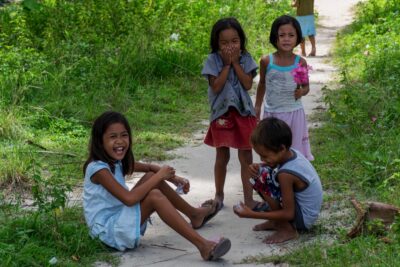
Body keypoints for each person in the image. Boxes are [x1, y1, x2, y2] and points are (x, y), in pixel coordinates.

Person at [82, 111, 231, 261]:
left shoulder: (114, 161)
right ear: (100, 141)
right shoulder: (98, 169)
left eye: (124, 135)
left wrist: (174, 179)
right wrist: (160, 176)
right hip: (106, 233)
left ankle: (194, 214)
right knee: (154, 196)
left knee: (151, 178)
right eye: (113, 137)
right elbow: (129, 199)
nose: (120, 141)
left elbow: (149, 168)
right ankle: (203, 246)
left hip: (118, 220)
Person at [201, 17, 265, 212]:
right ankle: (219, 195)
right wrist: (227, 65)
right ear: (216, 44)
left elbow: (247, 84)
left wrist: (236, 63)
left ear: (241, 41)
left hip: (244, 113)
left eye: (234, 41)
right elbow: (217, 86)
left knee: (246, 155)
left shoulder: (246, 59)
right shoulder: (213, 60)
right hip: (222, 113)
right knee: (222, 155)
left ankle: (249, 198)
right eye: (224, 42)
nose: (230, 46)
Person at [233, 117, 323, 244]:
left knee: (262, 178)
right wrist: (260, 167)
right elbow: (274, 165)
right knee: (260, 173)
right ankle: (276, 222)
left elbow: (288, 214)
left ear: (281, 148)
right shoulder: (292, 153)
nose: (262, 159)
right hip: (307, 212)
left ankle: (286, 228)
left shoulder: (285, 174)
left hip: (302, 219)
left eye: (265, 156)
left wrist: (251, 214)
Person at [254, 15, 314, 161]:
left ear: (298, 38)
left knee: (294, 153)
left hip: (294, 113)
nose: (286, 39)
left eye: (291, 35)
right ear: (275, 37)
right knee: (273, 151)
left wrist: (302, 91)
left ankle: (294, 178)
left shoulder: (301, 62)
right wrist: (257, 106)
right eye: (282, 35)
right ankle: (275, 180)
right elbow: (262, 84)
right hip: (273, 115)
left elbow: (306, 87)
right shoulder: (267, 61)